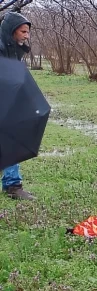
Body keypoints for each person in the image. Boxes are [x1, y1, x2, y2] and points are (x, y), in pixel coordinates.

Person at [0, 11, 35, 200]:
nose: (26, 35)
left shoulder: (14, 49)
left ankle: (13, 185)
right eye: (23, 31)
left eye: (27, 32)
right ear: (12, 31)